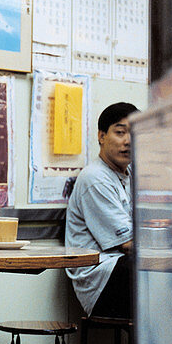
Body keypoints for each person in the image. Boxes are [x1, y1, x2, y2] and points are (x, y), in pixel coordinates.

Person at [65, 101, 138, 319]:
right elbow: (128, 244)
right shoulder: (95, 177)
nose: (128, 141)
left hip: (119, 271)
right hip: (100, 281)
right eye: (120, 132)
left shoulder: (130, 173)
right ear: (101, 136)